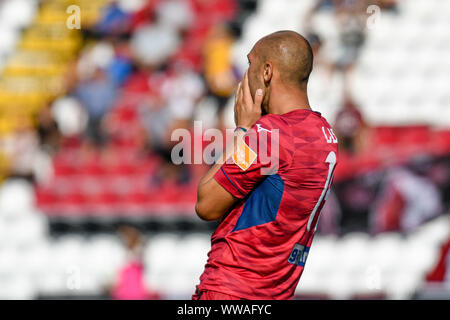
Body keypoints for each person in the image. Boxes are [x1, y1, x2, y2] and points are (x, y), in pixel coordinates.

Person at [193, 30, 339, 300]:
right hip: (276, 292)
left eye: (250, 64)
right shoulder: (325, 134)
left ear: (267, 72)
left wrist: (243, 129)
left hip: (231, 290)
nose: (245, 75)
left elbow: (206, 204)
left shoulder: (272, 134)